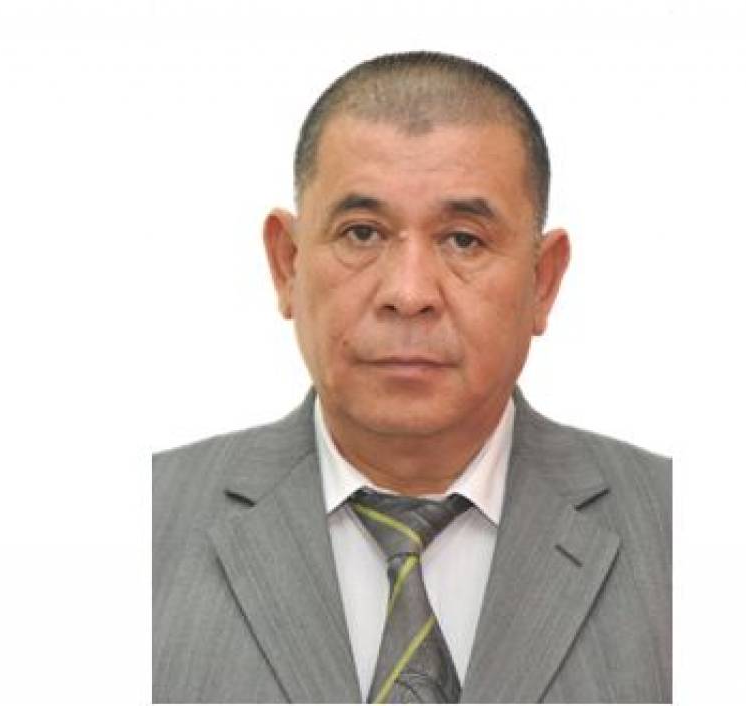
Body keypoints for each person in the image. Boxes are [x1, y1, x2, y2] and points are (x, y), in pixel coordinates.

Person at [153, 51, 670, 704]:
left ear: (543, 282)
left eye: (463, 240)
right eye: (362, 233)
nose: (409, 292)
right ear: (287, 265)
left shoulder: (676, 527)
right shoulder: (145, 518)